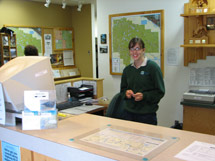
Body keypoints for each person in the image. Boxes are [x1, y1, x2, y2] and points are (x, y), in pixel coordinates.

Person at [120, 37, 165, 125]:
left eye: (137, 49)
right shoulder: (127, 70)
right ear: (129, 51)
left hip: (147, 115)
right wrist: (126, 93)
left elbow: (160, 92)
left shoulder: (153, 68)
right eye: (132, 49)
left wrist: (144, 96)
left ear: (143, 50)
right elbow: (122, 91)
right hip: (128, 114)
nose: (134, 52)